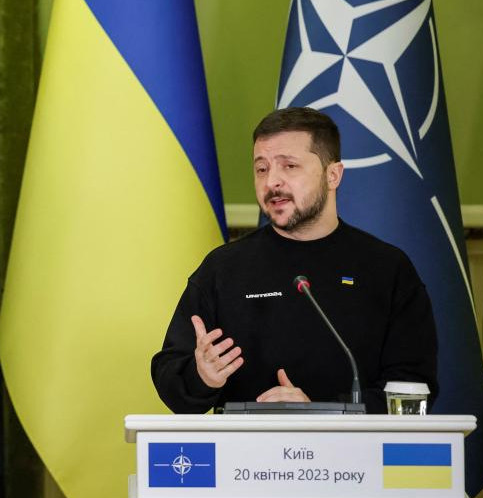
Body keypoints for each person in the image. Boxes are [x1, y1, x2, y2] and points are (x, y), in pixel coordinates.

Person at [152, 106, 437, 416]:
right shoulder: (224, 269)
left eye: (289, 166)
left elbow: (413, 390)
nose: (272, 181)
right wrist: (202, 377)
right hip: (245, 458)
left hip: (356, 459)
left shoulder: (386, 269)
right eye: (261, 169)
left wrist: (321, 411)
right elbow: (172, 378)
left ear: (333, 175)